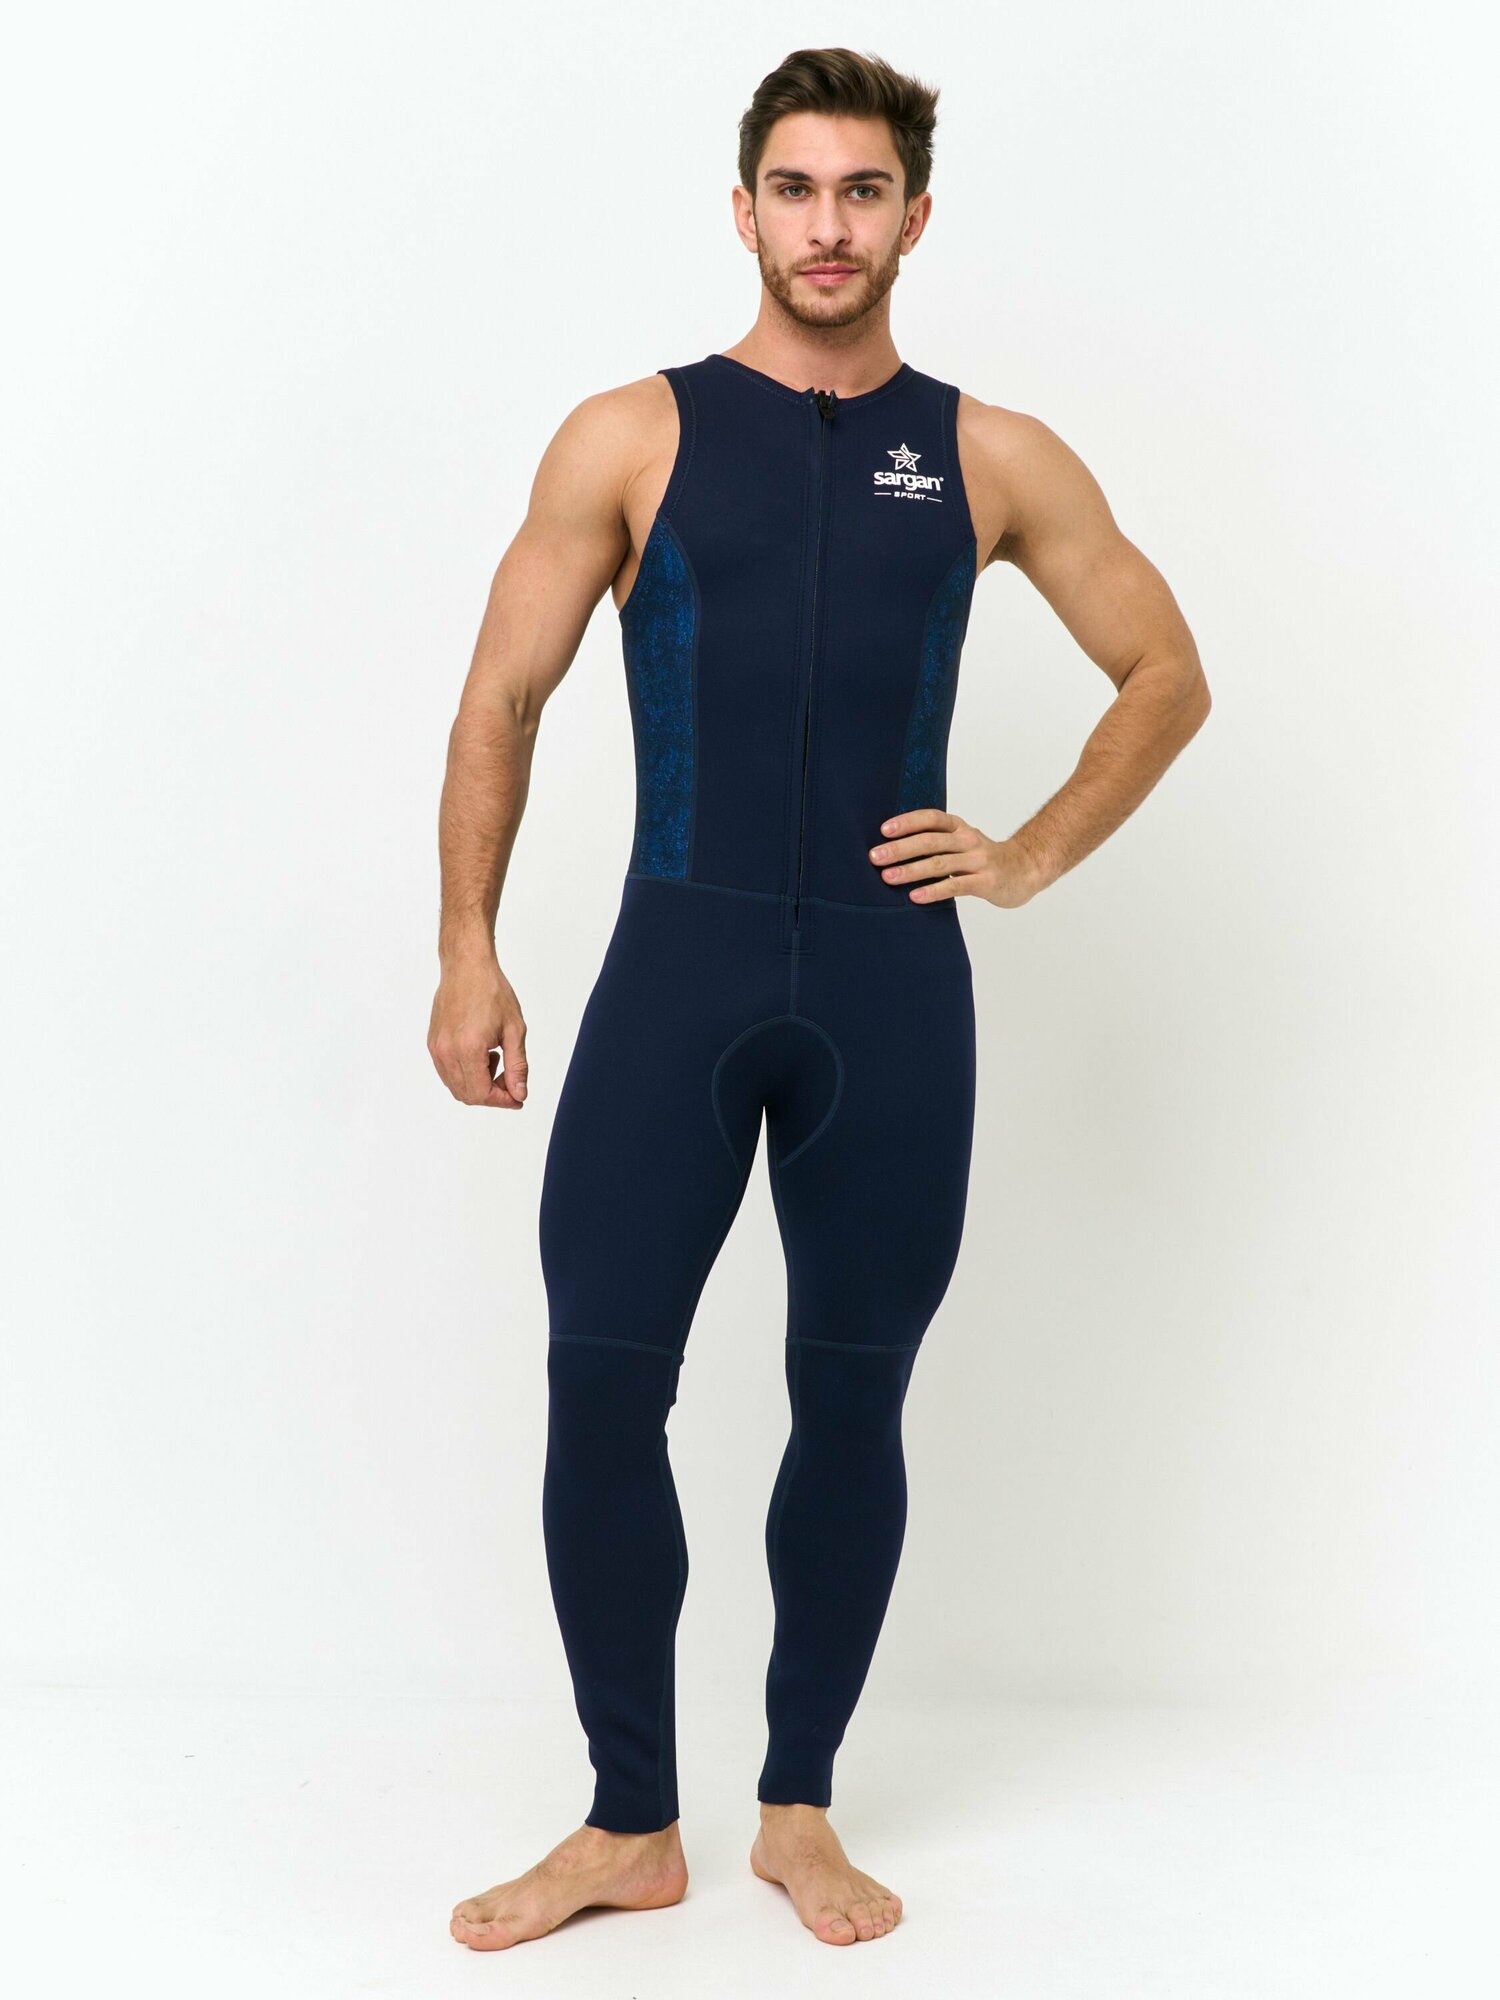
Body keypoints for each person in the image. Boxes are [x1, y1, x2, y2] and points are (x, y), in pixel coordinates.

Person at [429, 44, 1210, 1954]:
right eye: (797, 188)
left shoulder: (992, 454)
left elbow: (1166, 670)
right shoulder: (631, 436)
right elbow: (503, 697)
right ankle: (629, 1822)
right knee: (601, 1384)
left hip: (889, 990)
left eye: (864, 191)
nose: (829, 225)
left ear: (914, 218)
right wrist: (467, 945)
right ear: (744, 209)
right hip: (676, 972)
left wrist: (1024, 854)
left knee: (851, 1401)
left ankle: (798, 1809)